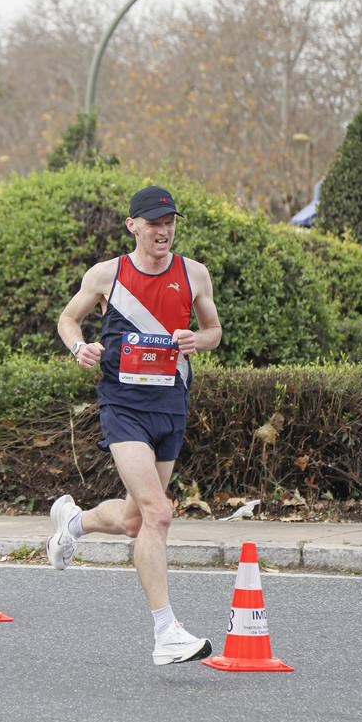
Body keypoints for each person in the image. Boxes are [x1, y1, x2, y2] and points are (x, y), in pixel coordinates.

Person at [45, 185, 223, 666]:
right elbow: (67, 319)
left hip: (171, 406)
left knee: (132, 521)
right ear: (133, 226)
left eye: (169, 222)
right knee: (158, 513)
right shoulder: (107, 274)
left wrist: (196, 341)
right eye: (153, 223)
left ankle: (73, 523)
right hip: (121, 404)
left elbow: (215, 331)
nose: (163, 231)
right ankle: (166, 632)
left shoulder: (194, 274)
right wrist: (78, 347)